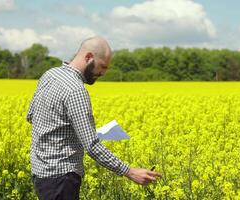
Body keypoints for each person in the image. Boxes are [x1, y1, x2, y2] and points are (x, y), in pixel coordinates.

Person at [26, 36, 161, 200]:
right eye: (102, 66)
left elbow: (31, 116)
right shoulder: (76, 90)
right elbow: (91, 146)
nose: (103, 73)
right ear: (89, 57)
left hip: (41, 173)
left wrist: (73, 132)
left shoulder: (50, 75)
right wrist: (130, 172)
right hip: (61, 177)